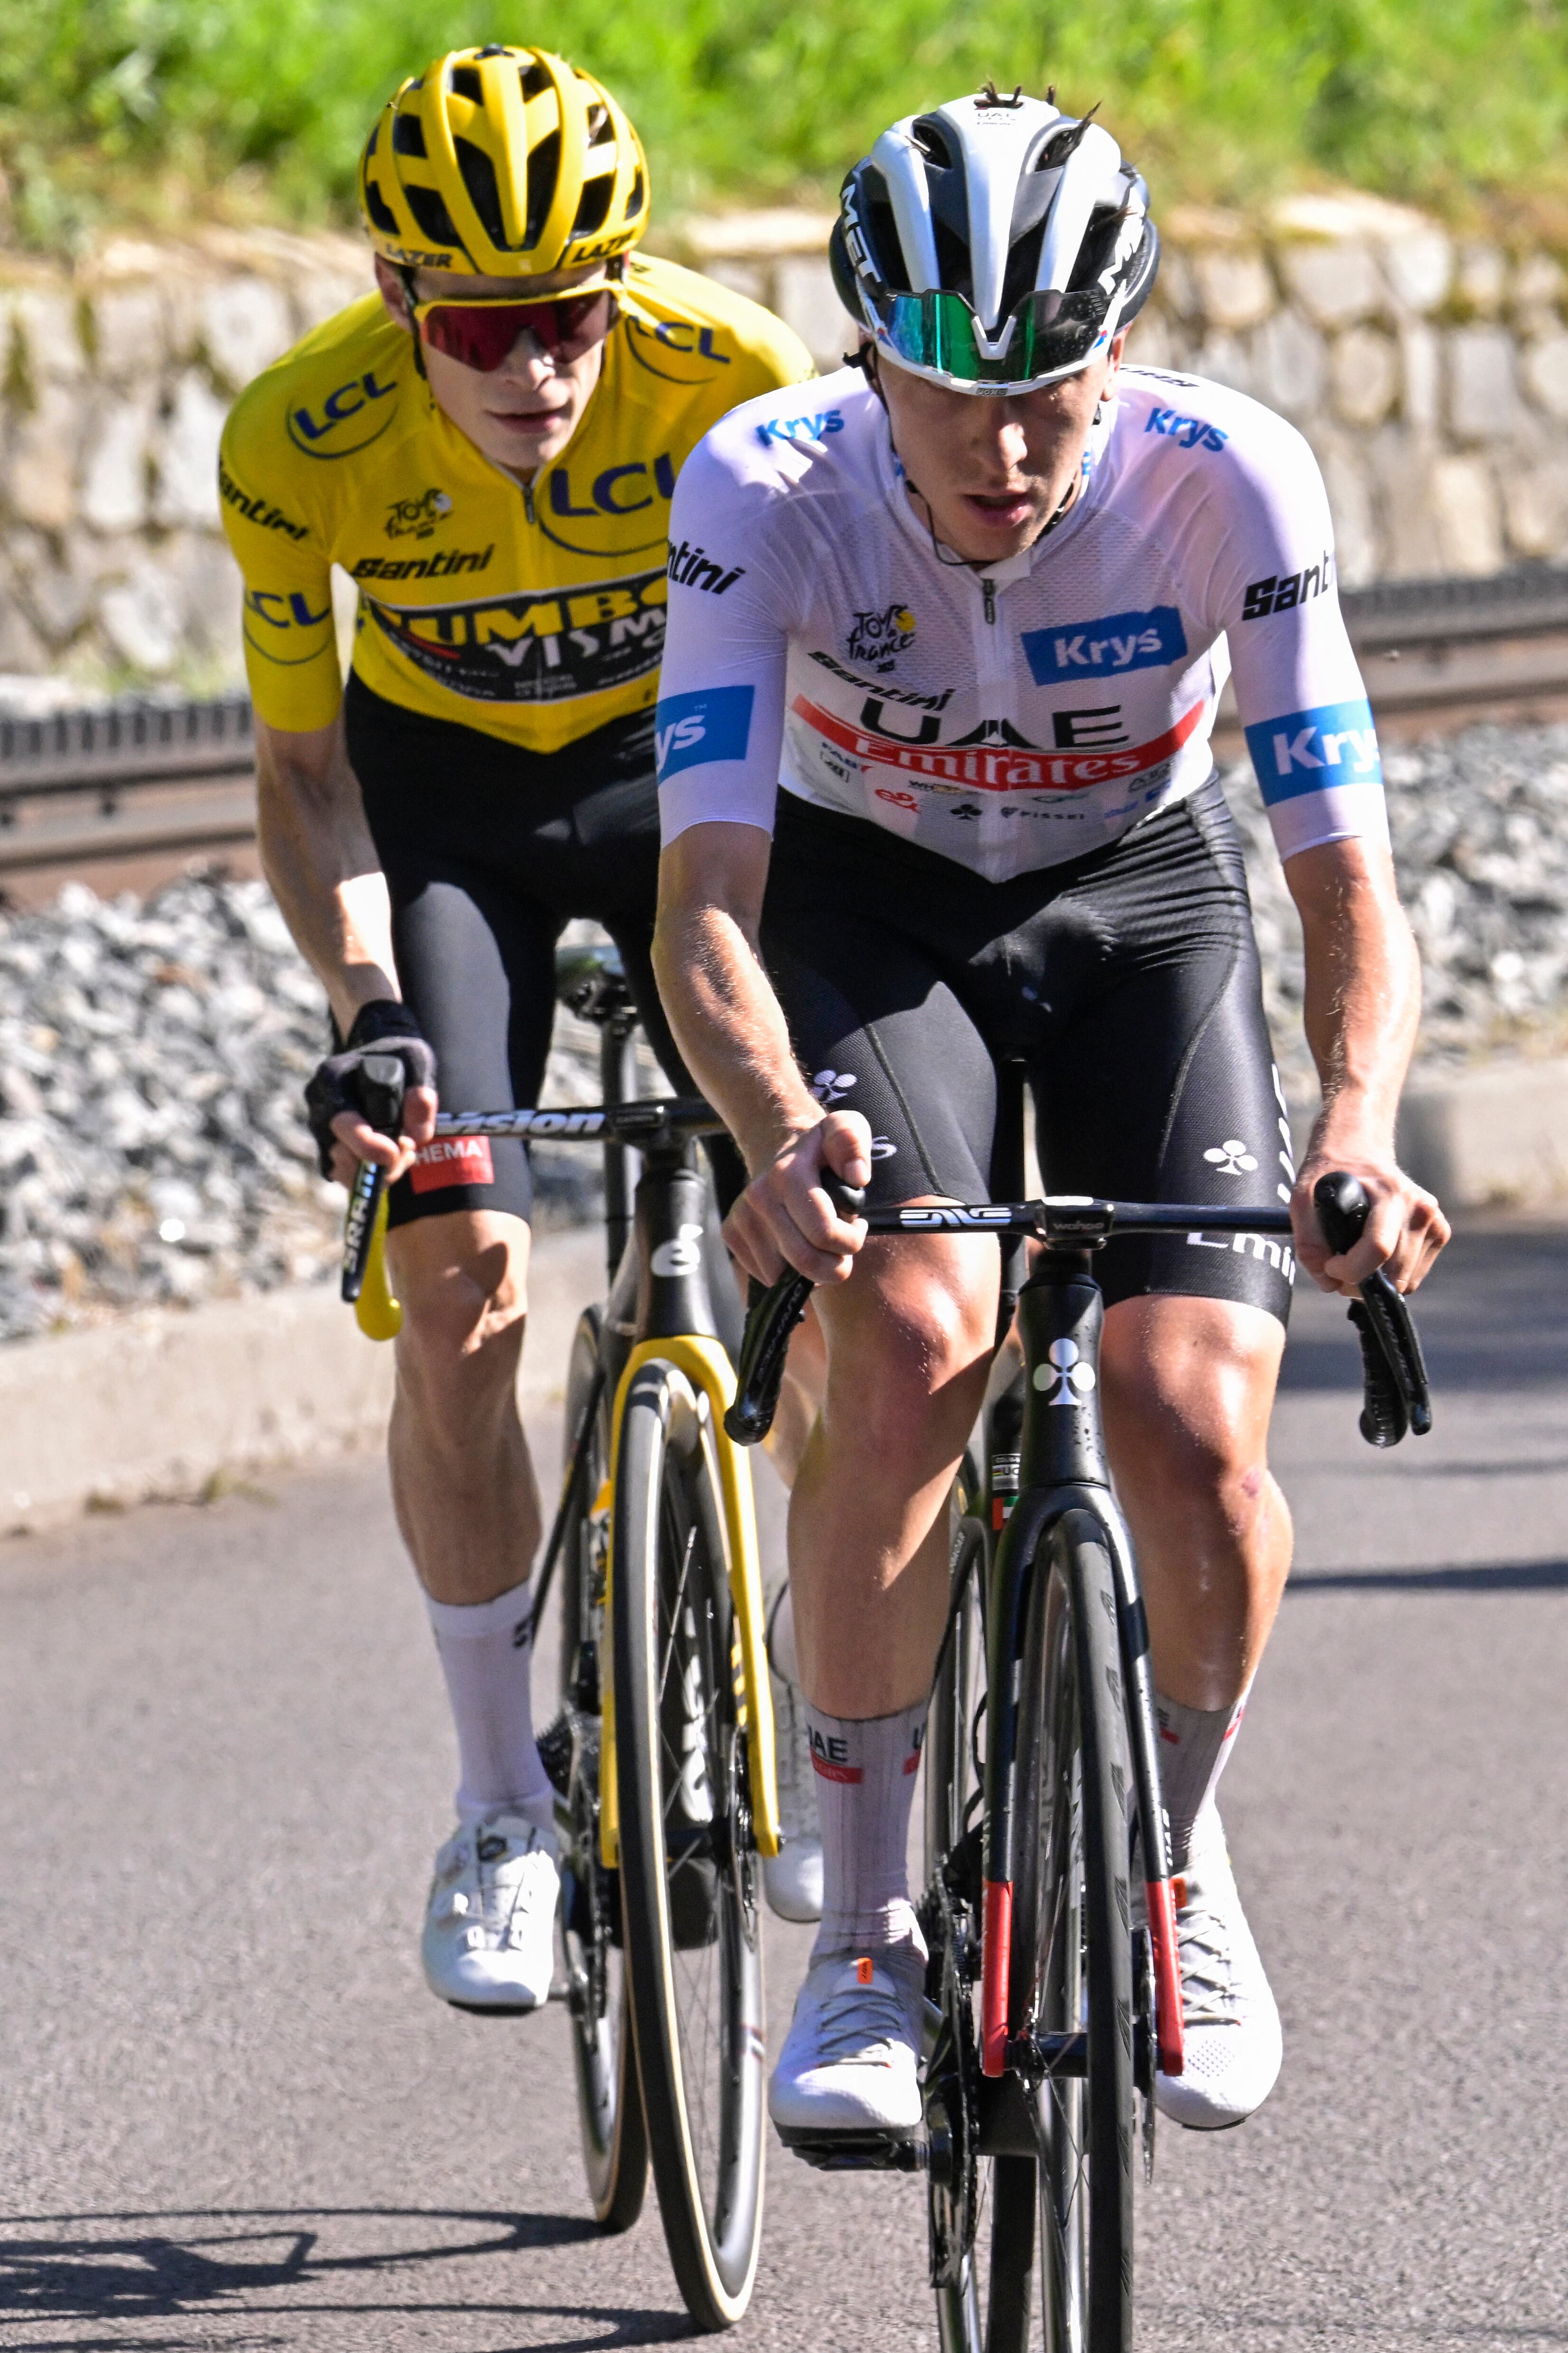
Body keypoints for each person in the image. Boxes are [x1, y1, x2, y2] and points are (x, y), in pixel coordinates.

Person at [651, 84, 1449, 2146]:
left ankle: (1178, 1871)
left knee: (1191, 1424)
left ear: (1120, 354)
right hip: (865, 906)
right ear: (866, 360)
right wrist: (769, 1132)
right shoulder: (759, 486)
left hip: (1141, 894)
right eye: (948, 398)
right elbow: (702, 910)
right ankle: (865, 1944)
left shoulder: (1227, 483)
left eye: (1053, 396)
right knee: (912, 1337)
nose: (1005, 453)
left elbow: (1344, 880)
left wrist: (1355, 1129)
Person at [217, 43, 812, 2014]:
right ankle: (495, 1804)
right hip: (451, 818)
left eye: (571, 317)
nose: (539, 370)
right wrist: (366, 1005)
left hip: (688, 798)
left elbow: (840, 668)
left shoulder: (730, 375)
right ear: (401, 302)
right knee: (460, 1256)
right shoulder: (301, 438)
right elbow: (305, 780)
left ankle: (830, 1693)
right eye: (485, 326)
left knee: (834, 1232)